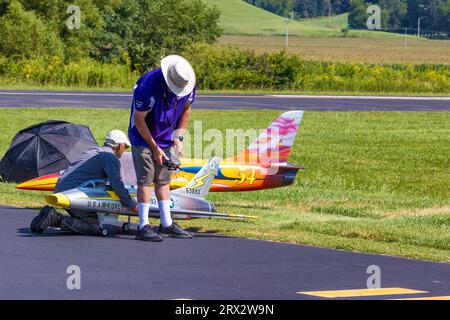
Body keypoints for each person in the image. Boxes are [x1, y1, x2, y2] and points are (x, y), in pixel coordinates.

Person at [128, 55, 196, 242]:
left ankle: (166, 223)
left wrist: (177, 138)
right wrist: (154, 147)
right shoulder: (147, 86)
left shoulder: (188, 83)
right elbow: (139, 120)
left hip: (167, 136)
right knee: (146, 179)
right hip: (143, 136)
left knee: (163, 179)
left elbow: (186, 110)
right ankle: (143, 226)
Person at [30, 130, 138, 235]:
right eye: (126, 147)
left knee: (81, 219)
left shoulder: (93, 151)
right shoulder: (110, 157)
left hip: (61, 187)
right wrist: (132, 205)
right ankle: (55, 218)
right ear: (120, 146)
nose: (125, 150)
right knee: (93, 226)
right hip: (74, 191)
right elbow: (117, 184)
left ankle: (49, 214)